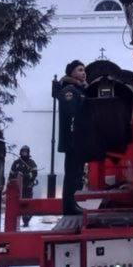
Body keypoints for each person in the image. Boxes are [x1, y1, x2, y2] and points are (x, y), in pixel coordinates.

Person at [53, 60, 88, 216]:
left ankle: (73, 204)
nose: (83, 72)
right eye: (80, 69)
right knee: (71, 174)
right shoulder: (69, 90)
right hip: (72, 140)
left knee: (77, 174)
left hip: (78, 140)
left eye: (84, 70)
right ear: (72, 73)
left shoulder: (79, 89)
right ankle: (68, 207)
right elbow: (73, 114)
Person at [9, 146, 40, 225]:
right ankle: (20, 220)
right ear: (20, 152)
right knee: (19, 204)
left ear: (28, 152)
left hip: (28, 187)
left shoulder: (31, 162)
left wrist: (25, 176)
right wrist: (13, 179)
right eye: (23, 151)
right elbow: (11, 174)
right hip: (18, 188)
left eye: (26, 152)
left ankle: (26, 220)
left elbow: (34, 173)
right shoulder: (16, 163)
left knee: (27, 204)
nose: (24, 153)